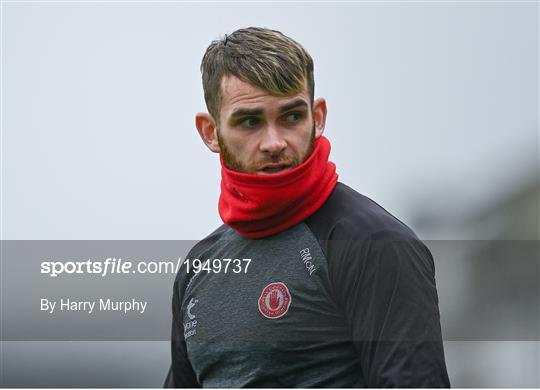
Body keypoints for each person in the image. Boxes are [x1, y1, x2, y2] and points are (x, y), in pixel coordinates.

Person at [164, 27, 450, 388]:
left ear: (317, 117)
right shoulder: (199, 267)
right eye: (249, 121)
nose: (274, 142)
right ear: (210, 132)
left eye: (291, 117)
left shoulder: (373, 243)